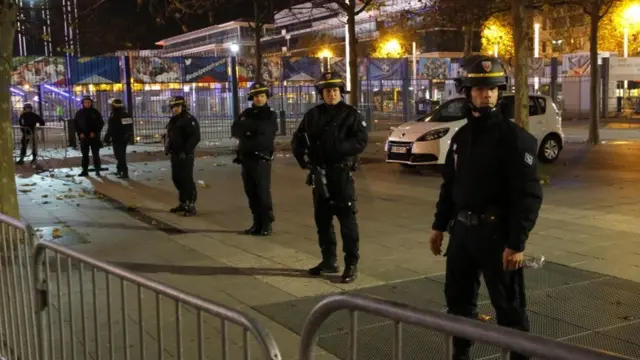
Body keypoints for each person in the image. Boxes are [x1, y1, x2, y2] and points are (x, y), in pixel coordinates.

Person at [429, 56, 543, 360]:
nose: (486, 95)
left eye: (492, 89)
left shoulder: (515, 139)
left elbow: (528, 195)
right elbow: (449, 186)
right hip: (463, 234)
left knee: (509, 308)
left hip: (498, 236)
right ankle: (460, 355)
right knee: (458, 302)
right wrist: (439, 225)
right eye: (479, 89)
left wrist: (516, 243)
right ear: (466, 92)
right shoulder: (461, 138)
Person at [291, 71, 368, 284]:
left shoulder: (350, 114)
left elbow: (360, 141)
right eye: (327, 91)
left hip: (340, 174)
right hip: (319, 173)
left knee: (347, 221)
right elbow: (297, 140)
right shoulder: (312, 115)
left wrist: (335, 148)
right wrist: (305, 160)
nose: (331, 94)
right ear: (321, 93)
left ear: (340, 91)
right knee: (322, 221)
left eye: (334, 90)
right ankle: (328, 261)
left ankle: (351, 263)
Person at [231, 82, 279, 236]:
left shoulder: (269, 114)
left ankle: (266, 222)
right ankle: (256, 222)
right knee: (251, 192)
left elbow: (265, 133)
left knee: (262, 192)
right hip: (246, 159)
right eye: (256, 96)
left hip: (261, 159)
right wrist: (251, 131)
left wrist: (248, 130)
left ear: (266, 97)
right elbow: (235, 129)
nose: (259, 99)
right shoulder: (247, 112)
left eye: (262, 96)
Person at [165, 96, 200, 217]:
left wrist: (186, 151)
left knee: (186, 179)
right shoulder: (174, 120)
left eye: (178, 106)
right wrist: (168, 147)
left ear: (183, 106)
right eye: (173, 107)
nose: (175, 109)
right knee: (176, 178)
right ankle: (183, 202)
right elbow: (171, 135)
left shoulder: (189, 119)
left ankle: (191, 204)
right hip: (175, 153)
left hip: (185, 154)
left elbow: (195, 137)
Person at [73, 96, 104, 177]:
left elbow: (101, 123)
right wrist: (80, 133)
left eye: (89, 102)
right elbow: (75, 124)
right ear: (83, 103)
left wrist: (95, 132)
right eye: (85, 102)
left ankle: (97, 170)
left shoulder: (95, 112)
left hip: (94, 137)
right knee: (84, 155)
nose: (87, 104)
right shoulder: (79, 113)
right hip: (84, 137)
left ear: (91, 103)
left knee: (95, 154)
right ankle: (85, 170)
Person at [103, 99, 134, 179]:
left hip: (117, 138)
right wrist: (129, 135)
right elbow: (129, 127)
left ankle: (124, 172)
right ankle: (119, 170)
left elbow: (110, 129)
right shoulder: (126, 115)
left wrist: (106, 138)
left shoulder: (113, 117)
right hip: (125, 138)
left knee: (119, 156)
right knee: (121, 155)